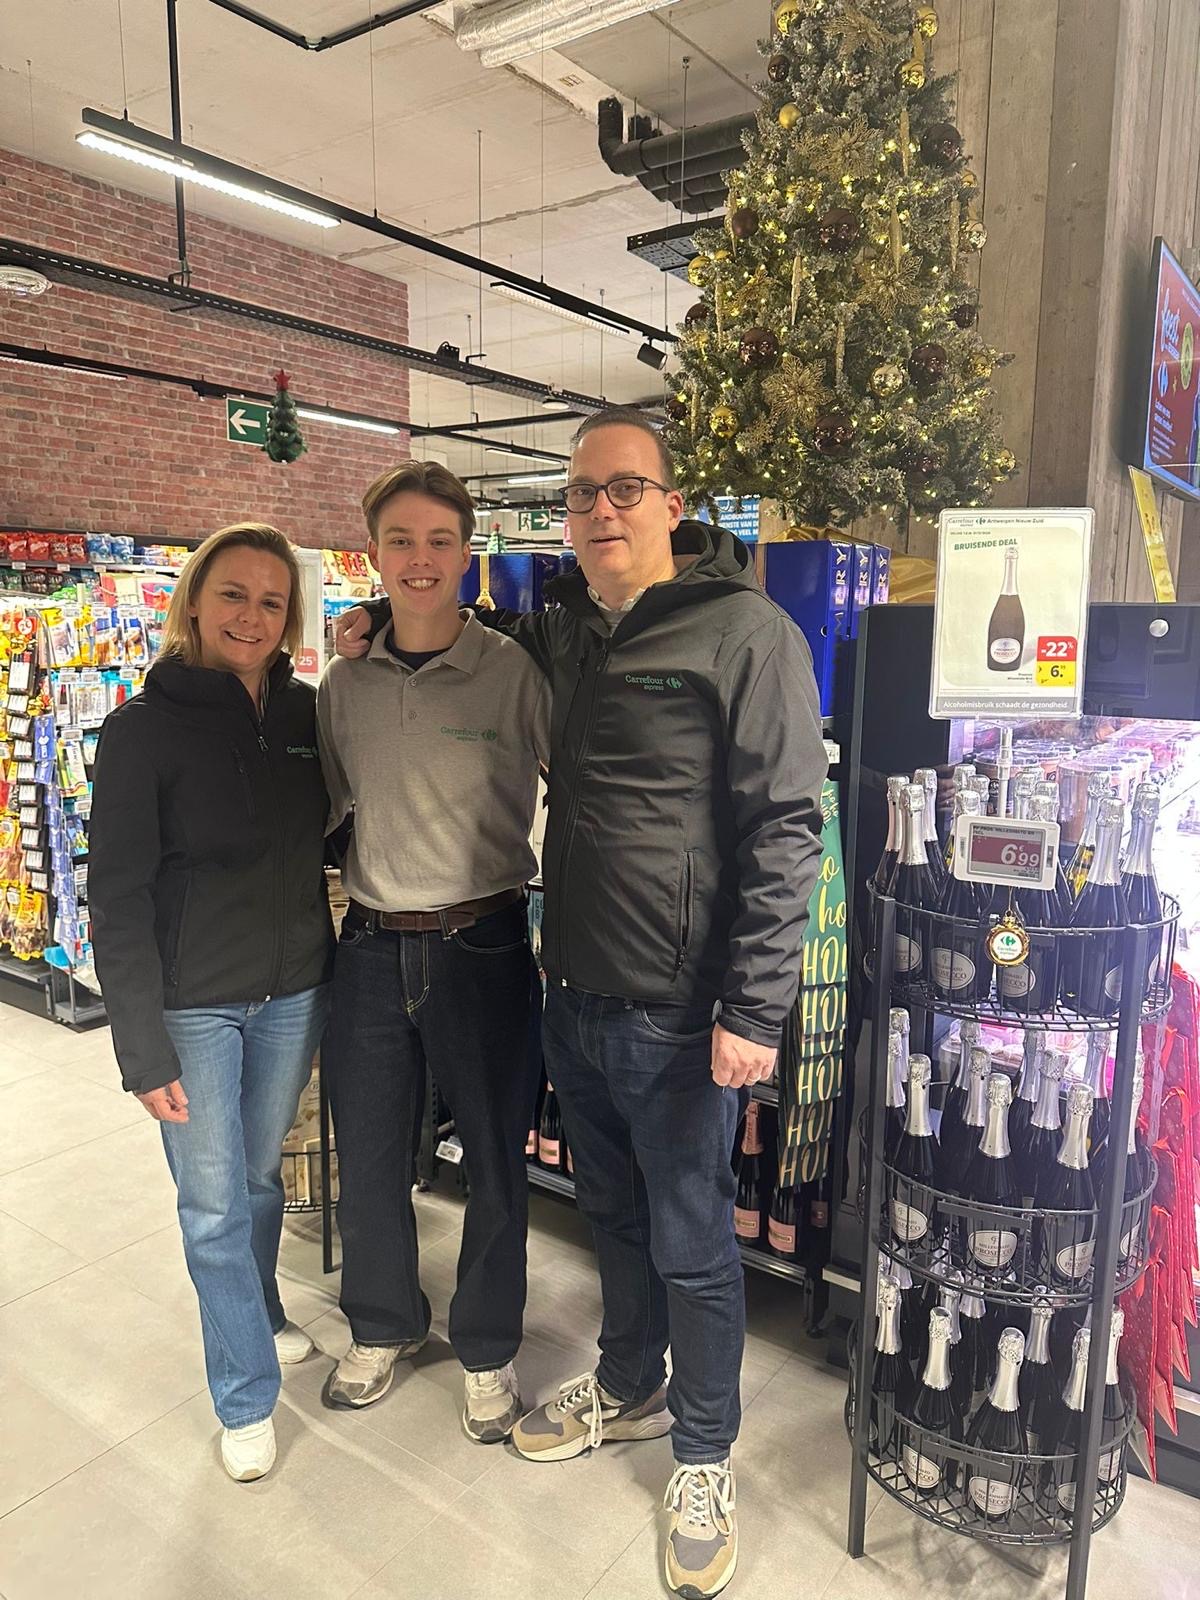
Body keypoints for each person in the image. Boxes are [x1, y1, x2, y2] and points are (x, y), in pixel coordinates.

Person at [337, 409, 826, 1598]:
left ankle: (702, 1455)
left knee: (694, 1242)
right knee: (612, 1215)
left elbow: (786, 827)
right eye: (583, 495)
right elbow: (460, 629)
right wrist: (371, 620)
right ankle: (630, 1379)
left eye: (626, 489)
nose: (602, 510)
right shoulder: (563, 634)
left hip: (685, 1007)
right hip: (576, 990)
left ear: (671, 503)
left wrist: (755, 1009)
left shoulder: (745, 631)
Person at [89, 523, 334, 1484]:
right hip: (194, 1008)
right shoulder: (142, 729)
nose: (251, 617)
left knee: (261, 1180)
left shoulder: (306, 714)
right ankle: (244, 1394)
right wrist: (140, 1049)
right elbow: (117, 896)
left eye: (272, 602)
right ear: (194, 600)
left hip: (292, 991)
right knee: (213, 1204)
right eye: (233, 594)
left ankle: (262, 1310)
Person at [317, 461, 549, 1444]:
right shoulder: (343, 683)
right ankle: (383, 1325)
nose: (420, 559)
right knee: (369, 1157)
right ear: (374, 554)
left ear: (467, 552)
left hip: (483, 944)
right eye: (400, 541)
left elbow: (579, 784)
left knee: (495, 1160)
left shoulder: (514, 671)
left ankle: (488, 1348)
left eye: (439, 541)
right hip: (370, 947)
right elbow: (333, 805)